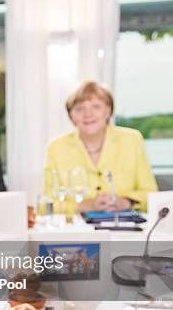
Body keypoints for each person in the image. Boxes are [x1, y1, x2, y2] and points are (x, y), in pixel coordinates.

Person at [44, 81, 157, 212]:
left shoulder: (132, 140)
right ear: (71, 116)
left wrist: (125, 202)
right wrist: (85, 206)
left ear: (108, 111)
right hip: (77, 230)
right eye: (80, 108)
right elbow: (45, 205)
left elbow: (151, 195)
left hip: (124, 227)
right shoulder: (56, 148)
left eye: (96, 106)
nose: (88, 114)